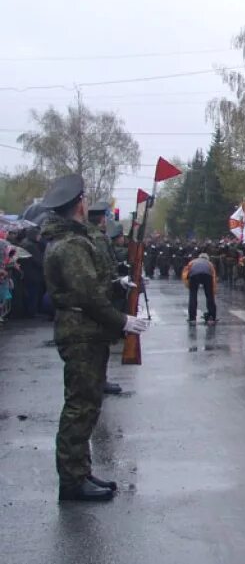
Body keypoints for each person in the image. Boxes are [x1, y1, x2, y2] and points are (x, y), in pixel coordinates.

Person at [39, 174, 151, 502]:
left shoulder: (72, 240)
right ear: (78, 205)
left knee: (87, 405)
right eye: (83, 198)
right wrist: (123, 321)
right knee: (80, 406)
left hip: (85, 330)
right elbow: (86, 296)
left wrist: (118, 286)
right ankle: (72, 481)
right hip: (80, 332)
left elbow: (91, 285)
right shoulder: (71, 245)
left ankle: (81, 471)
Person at [182, 252, 218, 326]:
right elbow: (213, 278)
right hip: (207, 275)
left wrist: (189, 286)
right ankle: (211, 316)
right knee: (209, 296)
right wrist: (213, 291)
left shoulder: (192, 262)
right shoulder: (209, 264)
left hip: (193, 275)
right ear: (207, 258)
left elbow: (185, 274)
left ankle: (192, 318)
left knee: (193, 296)